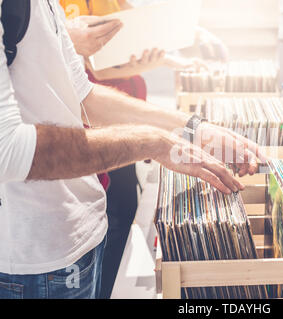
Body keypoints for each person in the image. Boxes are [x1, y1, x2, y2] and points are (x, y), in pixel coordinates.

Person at [0, 0, 260, 299]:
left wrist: (195, 129)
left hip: (79, 232)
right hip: (32, 261)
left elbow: (84, 95)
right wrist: (153, 141)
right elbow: (8, 149)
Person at [59, 0, 216, 298]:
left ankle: (110, 282)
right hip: (102, 121)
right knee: (116, 210)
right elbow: (99, 70)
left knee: (124, 206)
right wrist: (162, 61)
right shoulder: (70, 7)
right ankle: (107, 286)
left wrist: (164, 56)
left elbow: (132, 47)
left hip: (120, 113)